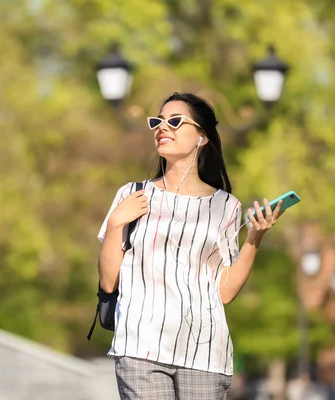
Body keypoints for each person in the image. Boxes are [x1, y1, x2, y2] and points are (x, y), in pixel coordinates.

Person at [97, 92, 284, 399]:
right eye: (157, 121)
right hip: (141, 346)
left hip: (205, 351)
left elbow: (223, 291)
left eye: (174, 121)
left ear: (202, 137)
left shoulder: (225, 206)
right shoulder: (132, 195)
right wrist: (117, 222)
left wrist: (254, 237)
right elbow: (108, 280)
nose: (162, 127)